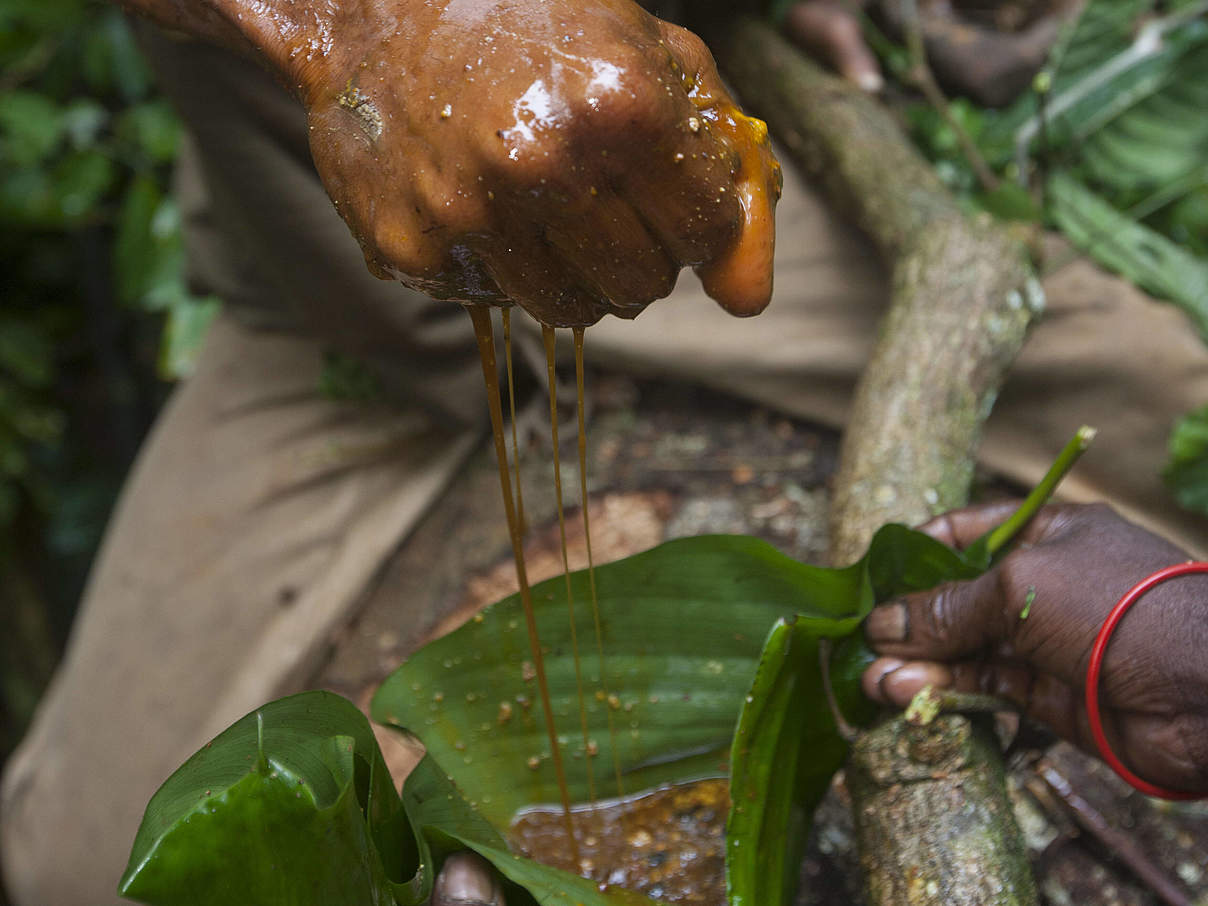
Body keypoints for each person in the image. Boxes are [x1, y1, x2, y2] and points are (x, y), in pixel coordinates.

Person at [1, 0, 1205, 903]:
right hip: (329, 273)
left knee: (1166, 406)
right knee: (70, 859)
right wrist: (368, 32)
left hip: (707, 180)